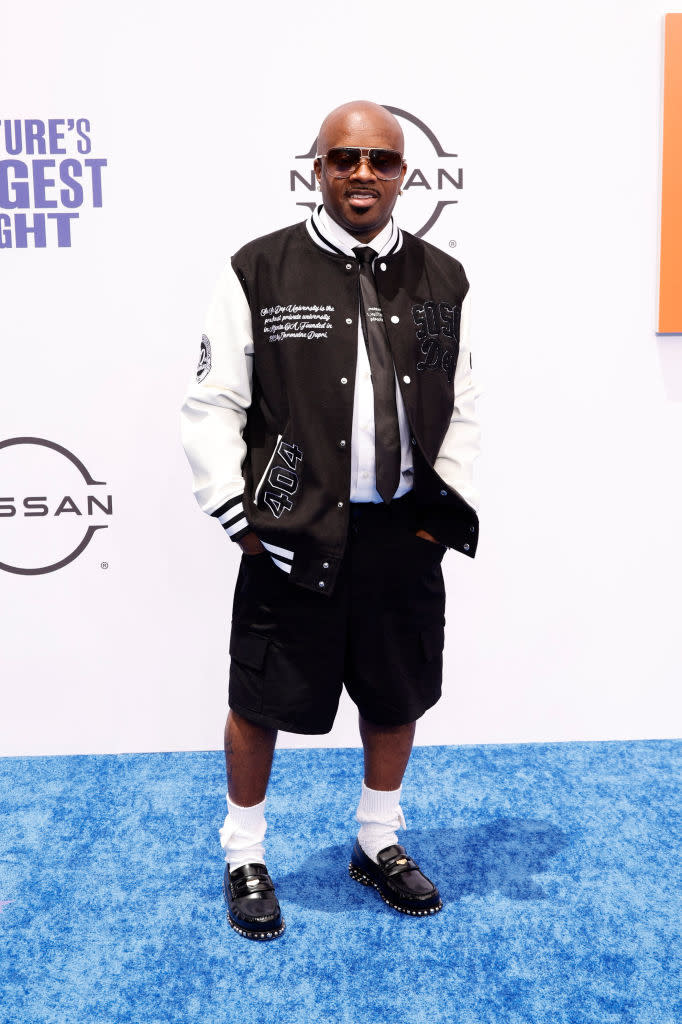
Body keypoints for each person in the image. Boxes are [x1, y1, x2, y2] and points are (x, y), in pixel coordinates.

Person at [180, 99, 480, 941]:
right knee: (260, 698)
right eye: (344, 158)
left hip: (401, 536)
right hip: (289, 536)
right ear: (316, 167)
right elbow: (211, 404)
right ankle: (244, 853)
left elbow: (464, 406)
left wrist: (438, 514)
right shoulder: (260, 270)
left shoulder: (442, 280)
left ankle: (378, 839)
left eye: (381, 161)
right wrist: (239, 515)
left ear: (404, 174)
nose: (362, 174)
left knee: (396, 694)